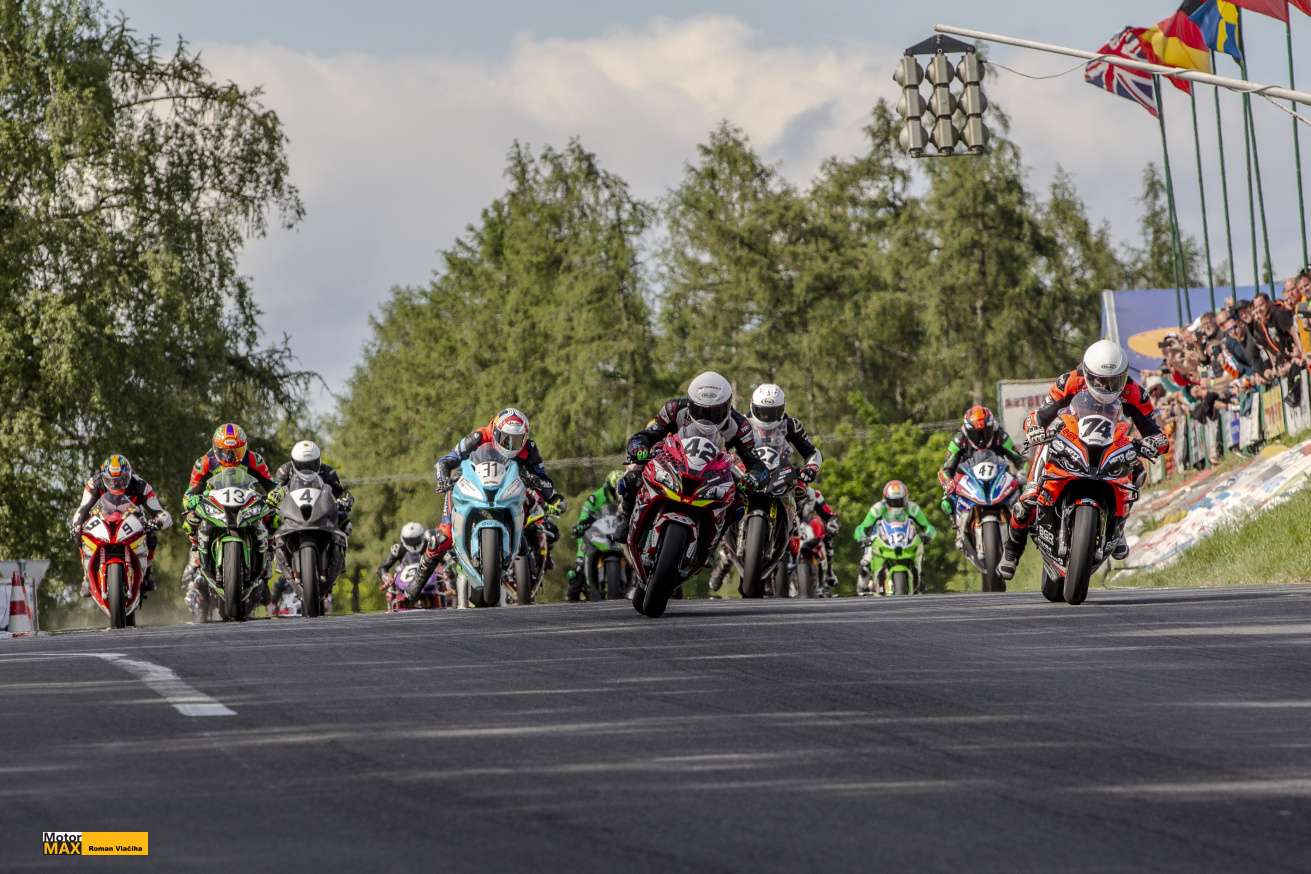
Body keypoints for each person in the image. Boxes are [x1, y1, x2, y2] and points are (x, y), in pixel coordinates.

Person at [997, 340, 1169, 580]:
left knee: (1137, 468)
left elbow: (1156, 432)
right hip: (1071, 436)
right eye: (1100, 380)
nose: (1107, 386)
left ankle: (1118, 524)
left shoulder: (1135, 392)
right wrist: (1035, 429)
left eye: (1114, 380)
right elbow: (1039, 416)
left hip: (1111, 442)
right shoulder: (1069, 382)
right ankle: (1012, 551)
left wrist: (1153, 443)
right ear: (1087, 373)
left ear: (1124, 376)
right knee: (1029, 494)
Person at [410, 408, 563, 589]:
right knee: (443, 537)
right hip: (471, 485)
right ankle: (414, 587)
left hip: (509, 489)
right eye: (506, 439)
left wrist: (551, 495)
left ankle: (530, 558)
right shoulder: (478, 437)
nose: (511, 445)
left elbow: (543, 477)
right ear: (496, 431)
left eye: (517, 440)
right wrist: (443, 477)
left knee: (536, 514)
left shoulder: (529, 448)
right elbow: (445, 460)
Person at [615, 371, 769, 542]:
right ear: (690, 403)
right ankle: (626, 518)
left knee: (738, 503)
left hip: (715, 470)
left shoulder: (740, 426)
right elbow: (647, 434)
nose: (707, 418)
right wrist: (638, 448)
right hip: (672, 458)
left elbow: (757, 465)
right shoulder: (674, 408)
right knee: (632, 476)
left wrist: (753, 478)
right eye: (700, 411)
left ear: (727, 407)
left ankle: (714, 542)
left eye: (715, 413)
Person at [706, 382, 823, 593]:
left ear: (782, 409)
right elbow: (720, 442)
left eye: (773, 412)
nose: (767, 417)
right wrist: (720, 458)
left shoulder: (791, 425)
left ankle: (789, 538)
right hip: (745, 471)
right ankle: (713, 549)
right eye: (763, 411)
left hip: (779, 474)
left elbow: (812, 452)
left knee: (801, 493)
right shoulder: (740, 422)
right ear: (753, 406)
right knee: (717, 496)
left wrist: (811, 468)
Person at [181, 423, 279, 604]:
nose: (230, 456)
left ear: (244, 447)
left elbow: (272, 485)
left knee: (273, 517)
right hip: (214, 503)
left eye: (236, 451)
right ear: (215, 448)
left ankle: (267, 561)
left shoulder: (254, 459)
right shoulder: (204, 463)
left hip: (245, 502)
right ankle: (196, 558)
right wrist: (191, 501)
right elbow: (189, 493)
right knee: (191, 520)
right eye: (225, 452)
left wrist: (275, 495)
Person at [269, 440, 355, 612]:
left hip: (320, 512)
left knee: (345, 521)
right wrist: (272, 498)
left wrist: (345, 500)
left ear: (318, 461)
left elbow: (340, 492)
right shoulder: (284, 471)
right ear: (294, 462)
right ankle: (273, 555)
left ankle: (339, 555)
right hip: (293, 513)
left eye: (311, 464)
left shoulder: (328, 471)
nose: (306, 467)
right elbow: (274, 490)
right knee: (270, 522)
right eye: (302, 464)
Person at [69, 455, 173, 595]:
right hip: (102, 520)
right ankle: (86, 576)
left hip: (131, 521)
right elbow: (82, 509)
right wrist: (76, 524)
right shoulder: (94, 483)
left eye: (121, 480)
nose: (116, 485)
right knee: (79, 535)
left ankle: (147, 571)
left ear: (129, 475)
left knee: (151, 536)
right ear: (104, 477)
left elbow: (160, 511)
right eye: (111, 481)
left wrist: (158, 521)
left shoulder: (141, 485)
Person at [937, 405, 1026, 539]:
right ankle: (958, 527)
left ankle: (1026, 523)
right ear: (968, 430)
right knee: (946, 501)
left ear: (991, 426)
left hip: (997, 478)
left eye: (985, 431)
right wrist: (948, 483)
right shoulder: (959, 439)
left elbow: (1019, 460)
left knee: (1026, 488)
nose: (981, 438)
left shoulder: (1000, 435)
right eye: (976, 433)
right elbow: (946, 468)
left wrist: (1023, 473)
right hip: (969, 480)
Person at [853, 480, 936, 596]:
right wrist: (862, 537)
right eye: (892, 501)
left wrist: (928, 535)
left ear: (906, 498)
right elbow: (862, 527)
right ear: (885, 499)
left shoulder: (912, 508)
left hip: (906, 540)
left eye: (899, 501)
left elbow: (928, 526)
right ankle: (862, 588)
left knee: (919, 550)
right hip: (880, 539)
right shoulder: (878, 508)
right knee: (866, 561)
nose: (896, 505)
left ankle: (919, 578)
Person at [567, 470, 624, 601]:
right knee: (579, 564)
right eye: (615, 489)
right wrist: (581, 525)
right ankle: (573, 592)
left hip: (620, 533)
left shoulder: (628, 494)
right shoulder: (596, 497)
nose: (617, 493)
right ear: (608, 486)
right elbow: (584, 515)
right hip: (599, 534)